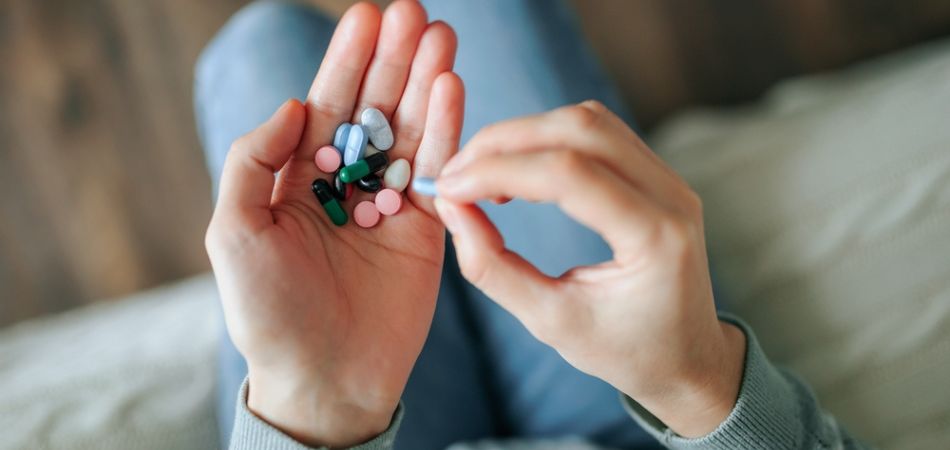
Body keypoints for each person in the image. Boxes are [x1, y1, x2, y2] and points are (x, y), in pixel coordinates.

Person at [194, 1, 869, 449]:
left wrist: (314, 408)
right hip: (639, 424)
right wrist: (697, 381)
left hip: (353, 424)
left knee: (263, 40)